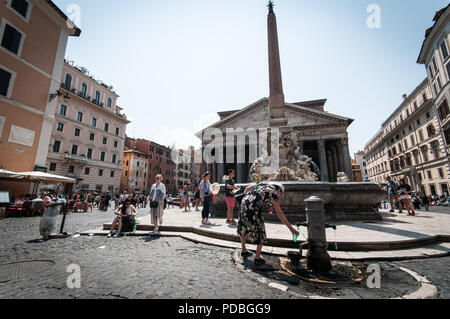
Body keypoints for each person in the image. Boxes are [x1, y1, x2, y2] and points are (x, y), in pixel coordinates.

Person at [237, 183, 299, 265]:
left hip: (244, 204)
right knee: (261, 231)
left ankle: (244, 251)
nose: (278, 196)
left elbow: (247, 189)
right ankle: (257, 258)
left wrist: (250, 198)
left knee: (243, 226)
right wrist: (292, 229)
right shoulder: (273, 192)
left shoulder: (262, 184)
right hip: (253, 208)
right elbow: (279, 213)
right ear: (279, 190)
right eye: (280, 194)